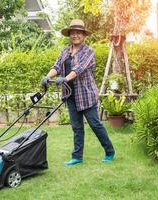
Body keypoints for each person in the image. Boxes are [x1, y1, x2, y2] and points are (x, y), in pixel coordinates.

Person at [41, 19, 115, 166]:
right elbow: (56, 66)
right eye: (73, 33)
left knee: (95, 124)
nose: (75, 35)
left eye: (78, 33)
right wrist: (48, 76)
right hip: (70, 95)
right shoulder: (65, 52)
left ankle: (109, 151)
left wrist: (64, 79)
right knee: (76, 127)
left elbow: (79, 68)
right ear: (70, 35)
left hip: (86, 94)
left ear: (83, 35)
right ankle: (77, 156)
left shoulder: (88, 51)